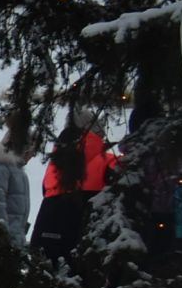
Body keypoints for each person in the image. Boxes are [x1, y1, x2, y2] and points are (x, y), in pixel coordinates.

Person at [28, 108, 116, 262]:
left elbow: (45, 189)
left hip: (44, 230)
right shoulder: (107, 161)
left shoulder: (56, 161)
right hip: (81, 237)